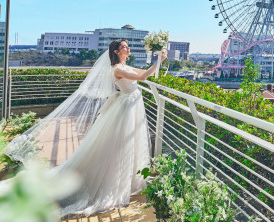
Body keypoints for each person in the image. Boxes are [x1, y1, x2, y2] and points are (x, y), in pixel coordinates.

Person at [2, 39, 167, 218]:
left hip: (131, 106)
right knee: (120, 145)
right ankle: (110, 179)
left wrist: (160, 60)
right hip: (126, 108)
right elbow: (143, 77)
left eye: (127, 46)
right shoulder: (117, 69)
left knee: (129, 143)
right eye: (124, 47)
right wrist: (158, 61)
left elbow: (144, 73)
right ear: (116, 52)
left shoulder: (125, 66)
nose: (128, 48)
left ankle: (129, 179)